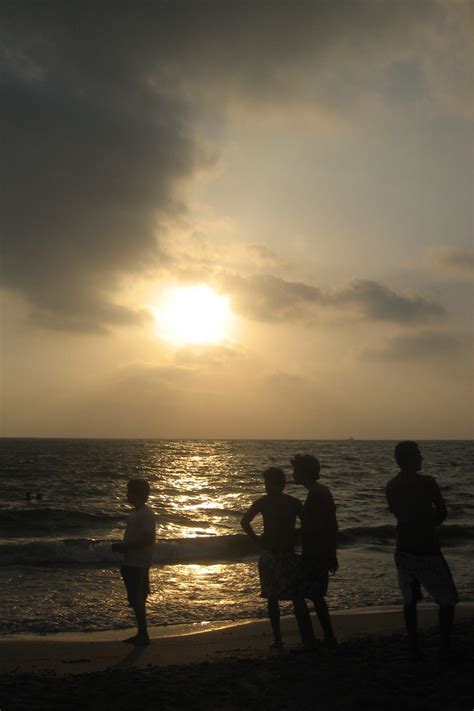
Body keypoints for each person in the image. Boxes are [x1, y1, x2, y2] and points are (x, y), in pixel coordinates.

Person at [386, 441, 458, 661]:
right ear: (410, 458)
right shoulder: (428, 482)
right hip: (427, 548)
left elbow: (397, 513)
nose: (421, 458)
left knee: (410, 599)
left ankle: (414, 646)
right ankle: (444, 647)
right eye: (418, 455)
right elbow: (442, 511)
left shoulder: (392, 485)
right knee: (448, 599)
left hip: (403, 547)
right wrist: (430, 524)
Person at [241, 467, 315, 650]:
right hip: (276, 553)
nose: (267, 487)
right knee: (277, 597)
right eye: (266, 483)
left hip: (280, 553)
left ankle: (294, 638)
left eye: (269, 483)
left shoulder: (269, 502)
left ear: (280, 484)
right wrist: (259, 540)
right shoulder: (290, 502)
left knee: (289, 598)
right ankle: (285, 638)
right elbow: (308, 524)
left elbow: (245, 522)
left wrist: (257, 540)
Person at [291, 453, 338, 649]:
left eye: (296, 470)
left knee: (299, 596)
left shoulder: (318, 494)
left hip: (315, 554)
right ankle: (326, 637)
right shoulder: (319, 492)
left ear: (306, 472)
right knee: (315, 597)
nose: (293, 474)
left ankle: (310, 640)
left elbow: (324, 526)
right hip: (317, 552)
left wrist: (329, 553)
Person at [111, 478, 156, 646]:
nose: (127, 494)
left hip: (138, 563)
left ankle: (143, 634)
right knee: (135, 598)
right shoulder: (137, 513)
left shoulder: (145, 514)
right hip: (132, 562)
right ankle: (141, 633)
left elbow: (147, 539)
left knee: (138, 598)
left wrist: (125, 546)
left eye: (129, 491)